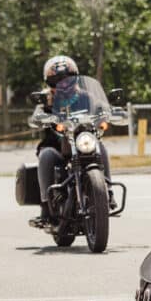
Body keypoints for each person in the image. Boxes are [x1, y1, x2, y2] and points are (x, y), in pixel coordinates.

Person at [28, 55, 114, 225]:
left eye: (68, 79)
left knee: (101, 147)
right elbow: (34, 118)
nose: (63, 84)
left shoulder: (86, 96)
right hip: (57, 147)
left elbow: (103, 108)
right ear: (49, 83)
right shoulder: (47, 99)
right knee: (46, 155)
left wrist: (110, 113)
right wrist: (42, 117)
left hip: (83, 142)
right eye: (56, 81)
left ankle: (108, 192)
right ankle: (46, 206)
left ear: (76, 78)